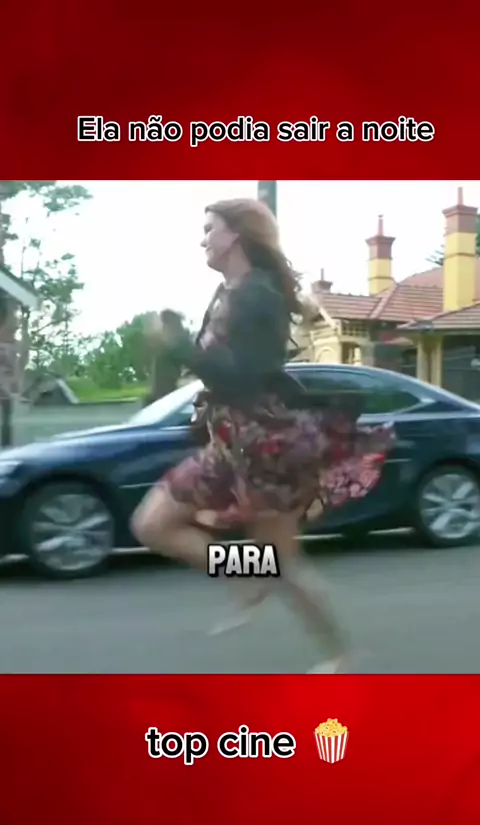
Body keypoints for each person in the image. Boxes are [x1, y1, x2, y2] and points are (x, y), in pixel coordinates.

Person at [131, 198, 395, 673]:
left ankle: (339, 654)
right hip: (228, 442)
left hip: (269, 445)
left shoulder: (260, 295)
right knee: (152, 525)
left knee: (284, 565)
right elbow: (203, 369)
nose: (202, 239)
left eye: (209, 228)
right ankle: (252, 575)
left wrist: (179, 346)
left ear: (235, 234)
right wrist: (165, 357)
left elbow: (243, 378)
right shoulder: (224, 293)